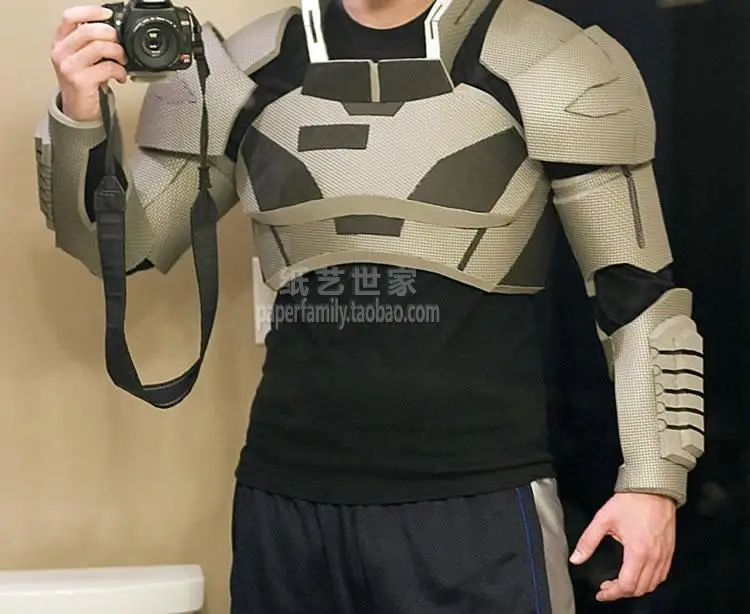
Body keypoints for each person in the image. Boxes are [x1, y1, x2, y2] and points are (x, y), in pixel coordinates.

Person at [37, 0, 706, 612]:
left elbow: (638, 294)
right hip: (286, 500)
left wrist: (654, 479)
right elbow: (120, 246)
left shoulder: (545, 56)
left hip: (477, 498)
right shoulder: (243, 65)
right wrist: (77, 113)